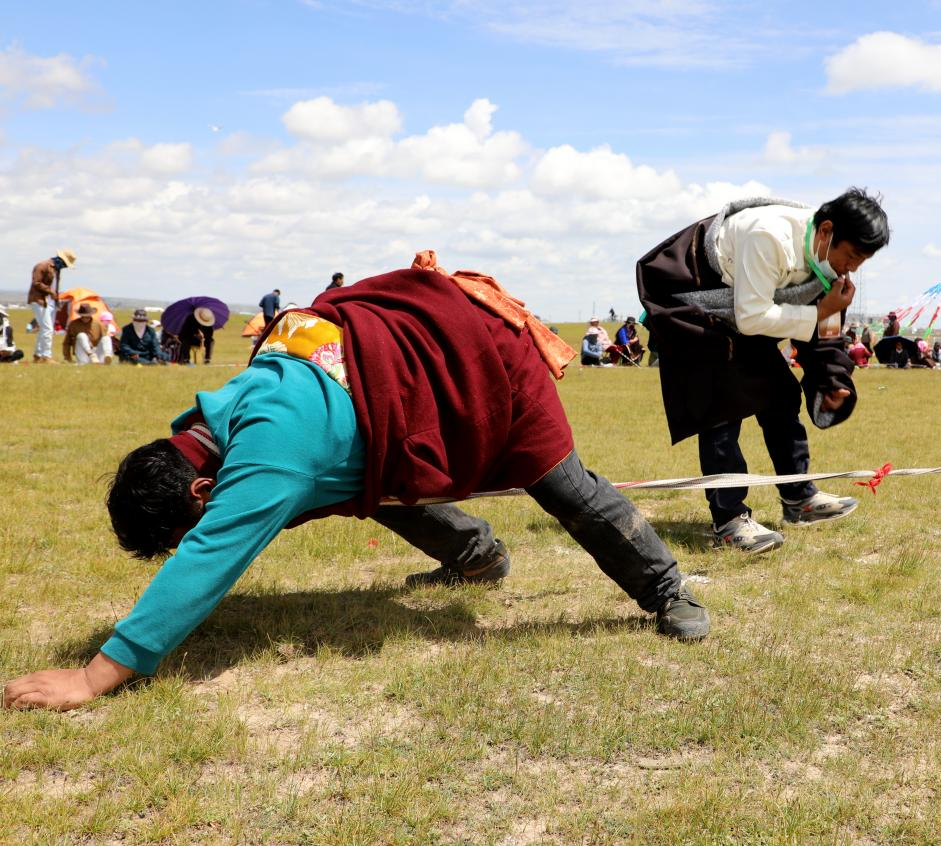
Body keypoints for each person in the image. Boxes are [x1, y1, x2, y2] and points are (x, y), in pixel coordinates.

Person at [2, 261, 708, 712]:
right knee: (368, 481)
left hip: (488, 367)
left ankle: (665, 587)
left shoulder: (269, 453)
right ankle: (475, 556)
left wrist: (97, 675)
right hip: (396, 403)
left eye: (188, 523)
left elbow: (208, 556)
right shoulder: (216, 419)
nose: (197, 531)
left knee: (565, 488)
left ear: (199, 491)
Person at [637, 190, 888, 553]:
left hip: (741, 316)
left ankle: (798, 497)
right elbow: (753, 316)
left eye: (862, 260)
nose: (853, 267)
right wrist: (817, 312)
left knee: (781, 396)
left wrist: (833, 379)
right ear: (827, 231)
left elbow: (827, 328)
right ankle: (729, 522)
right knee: (721, 411)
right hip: (695, 305)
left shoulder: (829, 262)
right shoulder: (768, 236)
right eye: (852, 255)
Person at [27, 249, 76, 364]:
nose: (65, 267)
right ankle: (46, 356)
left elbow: (55, 287)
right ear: (60, 260)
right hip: (39, 300)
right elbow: (36, 283)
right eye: (65, 264)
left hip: (51, 302)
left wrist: (56, 299)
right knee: (48, 329)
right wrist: (50, 292)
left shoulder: (57, 270)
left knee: (44, 329)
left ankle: (37, 355)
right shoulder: (42, 266)